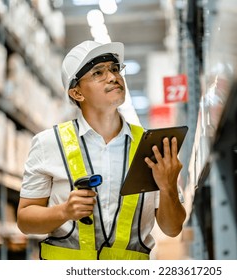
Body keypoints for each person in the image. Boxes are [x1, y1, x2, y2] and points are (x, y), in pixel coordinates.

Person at [16, 40, 186, 260]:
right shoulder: (48, 143)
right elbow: (25, 220)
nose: (113, 77)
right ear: (77, 93)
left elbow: (172, 229)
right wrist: (64, 211)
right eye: (98, 73)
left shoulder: (150, 147)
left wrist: (168, 187)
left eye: (115, 69)